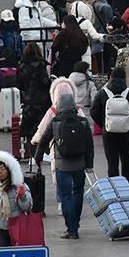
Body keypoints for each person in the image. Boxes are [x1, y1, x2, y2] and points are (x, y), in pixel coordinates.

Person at [34, 91, 94, 240]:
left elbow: (43, 140)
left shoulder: (55, 122)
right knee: (78, 193)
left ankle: (71, 228)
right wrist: (89, 164)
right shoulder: (83, 122)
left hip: (62, 165)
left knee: (66, 195)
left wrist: (38, 158)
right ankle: (75, 224)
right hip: (79, 165)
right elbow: (89, 145)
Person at [90, 66, 129, 182]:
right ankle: (127, 186)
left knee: (112, 163)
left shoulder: (102, 93)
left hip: (109, 133)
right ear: (124, 78)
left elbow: (93, 111)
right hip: (127, 133)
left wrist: (104, 124)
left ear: (110, 77)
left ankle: (115, 187)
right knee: (126, 161)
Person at [0, 151, 33, 247]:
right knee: (1, 255)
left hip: (17, 224)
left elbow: (27, 208)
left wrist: (22, 196)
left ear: (9, 170)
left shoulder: (19, 186)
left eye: (2, 169)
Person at [17, 43, 51, 153]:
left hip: (28, 100)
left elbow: (19, 84)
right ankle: (42, 151)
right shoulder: (40, 64)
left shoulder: (21, 65)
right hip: (41, 100)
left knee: (28, 126)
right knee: (42, 125)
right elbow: (45, 81)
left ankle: (30, 151)